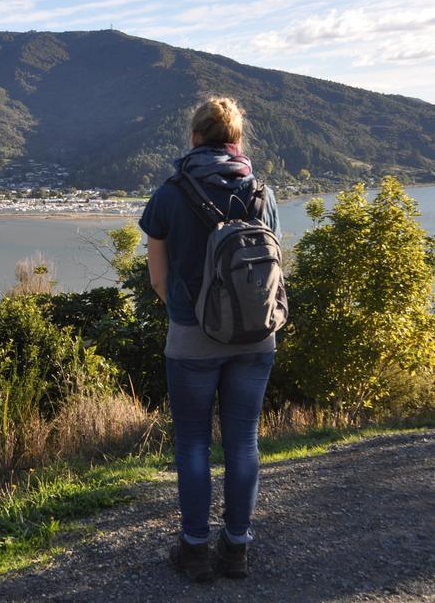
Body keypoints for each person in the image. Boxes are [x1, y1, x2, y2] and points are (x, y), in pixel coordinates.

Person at [138, 97, 281, 583]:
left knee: (194, 443)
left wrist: (188, 314)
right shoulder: (262, 192)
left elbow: (158, 279)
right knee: (243, 442)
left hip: (193, 337)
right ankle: (237, 548)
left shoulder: (170, 194)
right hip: (257, 335)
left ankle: (195, 549)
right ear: (237, 140)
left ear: (195, 137)